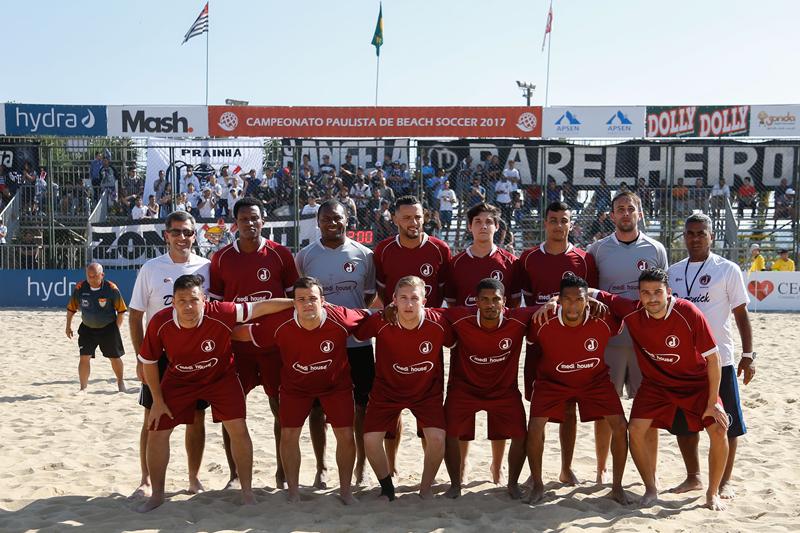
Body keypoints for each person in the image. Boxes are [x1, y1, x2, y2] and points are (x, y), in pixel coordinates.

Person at [136, 274, 294, 512]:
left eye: (194, 300)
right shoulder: (160, 321)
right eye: (182, 301)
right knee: (157, 429)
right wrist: (157, 401)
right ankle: (157, 495)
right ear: (173, 302)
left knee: (238, 428)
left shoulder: (222, 312)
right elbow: (149, 362)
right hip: (179, 379)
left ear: (204, 300)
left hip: (220, 378)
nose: (188, 306)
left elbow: (261, 307)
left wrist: (296, 302)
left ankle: (247, 493)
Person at [592, 268, 730, 511]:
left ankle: (712, 493)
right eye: (646, 293)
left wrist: (712, 403)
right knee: (635, 429)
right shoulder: (632, 310)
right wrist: (554, 300)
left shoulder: (688, 312)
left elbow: (713, 358)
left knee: (719, 429)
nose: (652, 298)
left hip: (695, 383)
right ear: (639, 295)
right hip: (656, 385)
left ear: (669, 292)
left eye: (657, 292)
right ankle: (650, 488)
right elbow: (594, 293)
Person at [232, 277, 371, 504]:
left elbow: (370, 315)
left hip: (335, 386)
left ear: (323, 301)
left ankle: (346, 491)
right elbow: (244, 333)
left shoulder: (340, 317)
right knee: (288, 435)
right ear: (293, 303)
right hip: (295, 388)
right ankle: (294, 492)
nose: (307, 304)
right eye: (301, 299)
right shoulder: (280, 323)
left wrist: (391, 312)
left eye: (312, 299)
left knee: (345, 435)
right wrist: (212, 328)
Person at [208, 197, 301, 490]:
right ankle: (235, 475)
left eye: (254, 218)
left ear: (263, 221)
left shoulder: (281, 255)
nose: (249, 223)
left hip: (274, 348)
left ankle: (282, 473)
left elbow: (294, 301)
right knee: (232, 412)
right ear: (235, 224)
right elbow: (217, 307)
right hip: (237, 349)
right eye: (244, 219)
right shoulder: (221, 258)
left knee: (281, 409)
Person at [668, 213, 755, 499]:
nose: (695, 238)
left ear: (711, 236)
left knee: (727, 423)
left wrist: (748, 354)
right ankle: (693, 477)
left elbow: (741, 314)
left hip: (721, 360)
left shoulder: (727, 269)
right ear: (684, 236)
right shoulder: (673, 271)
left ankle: (725, 481)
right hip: (684, 363)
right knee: (683, 424)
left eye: (701, 233)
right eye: (690, 233)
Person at [128, 211, 211, 499]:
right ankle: (145, 479)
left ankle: (194, 477)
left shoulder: (207, 267)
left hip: (197, 355)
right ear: (166, 235)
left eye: (187, 232)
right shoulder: (151, 268)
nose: (181, 237)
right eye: (176, 232)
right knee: (151, 417)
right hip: (160, 356)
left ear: (194, 235)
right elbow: (135, 315)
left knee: (196, 418)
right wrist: (141, 358)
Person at [294, 200, 377, 486]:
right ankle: (322, 467)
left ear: (347, 220)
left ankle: (361, 467)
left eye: (337, 218)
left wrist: (349, 320)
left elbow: (367, 297)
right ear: (317, 222)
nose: (332, 223)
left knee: (361, 406)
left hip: (357, 343)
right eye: (326, 218)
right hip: (318, 345)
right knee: (317, 408)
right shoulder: (304, 257)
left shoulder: (364, 254)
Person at [587, 191, 668, 484]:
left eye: (630, 208)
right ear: (611, 215)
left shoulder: (656, 249)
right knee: (604, 411)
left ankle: (651, 472)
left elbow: (663, 295)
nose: (625, 213)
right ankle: (601, 470)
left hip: (644, 344)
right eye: (619, 209)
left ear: (639, 213)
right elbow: (590, 295)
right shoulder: (597, 250)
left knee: (649, 410)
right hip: (609, 342)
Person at [526, 274, 628, 505]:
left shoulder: (603, 318)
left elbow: (624, 312)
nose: (573, 305)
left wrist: (598, 299)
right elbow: (529, 338)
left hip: (594, 381)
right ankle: (538, 484)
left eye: (579, 299)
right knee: (535, 426)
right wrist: (550, 302)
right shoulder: (543, 319)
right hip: (552, 381)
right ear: (559, 300)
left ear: (587, 301)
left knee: (621, 425)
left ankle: (617, 487)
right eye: (567, 300)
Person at [517, 201, 599, 485]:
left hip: (572, 345)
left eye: (564, 220)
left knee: (569, 408)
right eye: (553, 220)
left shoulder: (583, 259)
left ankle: (566, 467)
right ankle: (534, 472)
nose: (558, 225)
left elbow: (593, 299)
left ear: (571, 224)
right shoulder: (528, 258)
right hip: (539, 344)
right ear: (545, 223)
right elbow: (521, 302)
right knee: (537, 410)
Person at [355, 276, 456, 500]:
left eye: (414, 298)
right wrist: (378, 312)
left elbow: (453, 341)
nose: (409, 304)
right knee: (370, 440)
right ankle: (387, 488)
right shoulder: (382, 320)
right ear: (394, 300)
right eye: (403, 298)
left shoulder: (438, 322)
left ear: (424, 301)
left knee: (437, 438)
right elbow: (358, 332)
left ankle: (425, 489)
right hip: (387, 391)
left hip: (426, 392)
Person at [443, 202, 521, 484]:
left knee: (500, 409)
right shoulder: (456, 263)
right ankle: (462, 466)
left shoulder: (510, 262)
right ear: (469, 226)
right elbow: (451, 306)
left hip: (500, 347)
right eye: (478, 221)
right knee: (463, 409)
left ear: (497, 227)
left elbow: (513, 306)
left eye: (489, 221)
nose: (484, 226)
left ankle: (497, 466)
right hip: (466, 346)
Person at [373, 196, 451, 474]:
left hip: (427, 339)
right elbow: (379, 295)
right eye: (406, 217)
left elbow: (445, 296)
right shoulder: (383, 250)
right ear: (394, 219)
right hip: (391, 338)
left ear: (424, 217)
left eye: (417, 217)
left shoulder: (440, 249)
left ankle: (428, 469)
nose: (413, 222)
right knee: (391, 405)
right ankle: (391, 466)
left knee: (428, 407)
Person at [441, 278, 531, 500]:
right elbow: (429, 312)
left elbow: (552, 305)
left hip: (503, 391)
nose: (490, 304)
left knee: (521, 434)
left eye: (495, 299)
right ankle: (455, 484)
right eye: (485, 299)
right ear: (476, 301)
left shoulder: (518, 318)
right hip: (464, 390)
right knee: (449, 432)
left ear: (504, 302)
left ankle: (512, 484)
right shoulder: (460, 317)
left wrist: (554, 302)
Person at [65, 263, 127, 392]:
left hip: (108, 328)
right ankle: (83, 388)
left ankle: (120, 382)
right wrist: (68, 326)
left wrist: (116, 328)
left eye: (95, 276)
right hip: (87, 328)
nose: (92, 279)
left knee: (114, 357)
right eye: (89, 276)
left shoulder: (111, 288)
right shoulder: (80, 288)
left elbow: (121, 310)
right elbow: (71, 308)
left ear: (102, 275)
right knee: (84, 357)